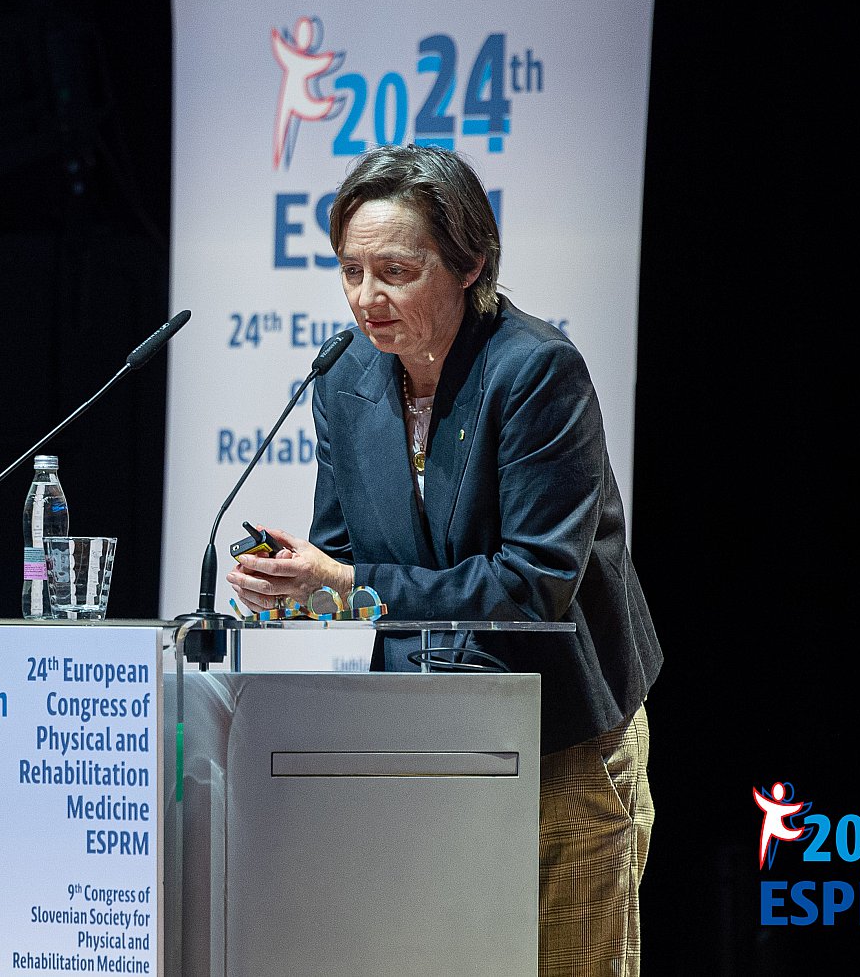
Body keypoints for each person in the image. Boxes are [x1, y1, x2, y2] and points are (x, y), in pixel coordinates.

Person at [225, 143, 663, 977]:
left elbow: (531, 586)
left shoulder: (536, 371)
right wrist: (298, 590)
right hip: (420, 735)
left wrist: (345, 583)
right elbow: (348, 561)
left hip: (563, 735)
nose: (367, 298)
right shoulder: (346, 378)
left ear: (470, 264)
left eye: (395, 271)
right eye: (350, 271)